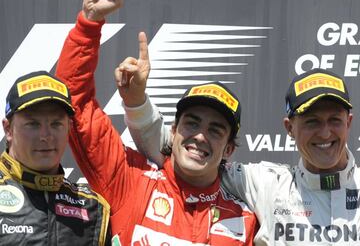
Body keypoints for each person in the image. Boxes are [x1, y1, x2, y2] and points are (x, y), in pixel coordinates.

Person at [55, 0, 258, 245]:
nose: (199, 136)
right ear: (173, 132)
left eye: (215, 130)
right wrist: (89, 24)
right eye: (192, 123)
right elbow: (74, 102)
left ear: (229, 149)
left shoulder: (245, 219)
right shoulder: (129, 180)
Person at [128, 67, 360, 245]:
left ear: (348, 123)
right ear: (290, 128)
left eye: (335, 120)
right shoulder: (266, 184)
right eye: (312, 121)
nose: (325, 132)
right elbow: (182, 151)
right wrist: (137, 103)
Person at [0, 71, 111, 245]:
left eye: (56, 124)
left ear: (69, 128)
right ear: (8, 130)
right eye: (33, 124)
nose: (46, 136)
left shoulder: (92, 208)